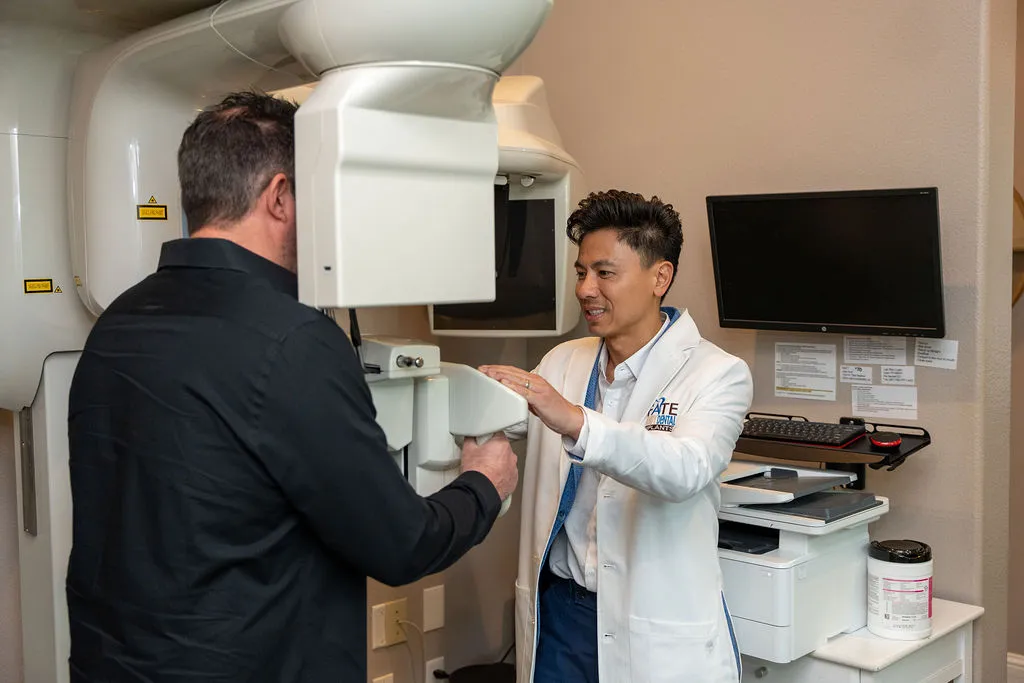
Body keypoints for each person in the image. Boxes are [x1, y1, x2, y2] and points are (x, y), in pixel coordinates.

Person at [65, 91, 519, 683]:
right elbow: (402, 544)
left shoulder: (116, 323)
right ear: (280, 197)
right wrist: (483, 485)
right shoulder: (293, 340)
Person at [481, 189, 753, 683]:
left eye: (605, 273)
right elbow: (500, 421)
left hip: (649, 623)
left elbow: (686, 468)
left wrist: (576, 421)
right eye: (582, 272)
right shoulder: (565, 360)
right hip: (562, 614)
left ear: (659, 277)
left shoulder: (717, 373)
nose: (586, 288)